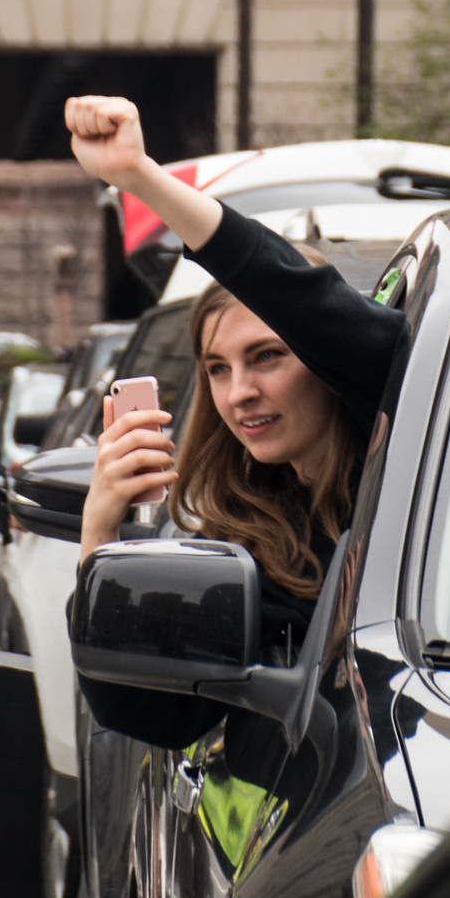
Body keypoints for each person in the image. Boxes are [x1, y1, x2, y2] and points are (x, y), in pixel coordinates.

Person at [65, 94, 404, 679]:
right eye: (217, 368)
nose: (238, 392)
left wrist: (140, 178)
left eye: (267, 356)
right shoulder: (237, 550)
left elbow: (296, 293)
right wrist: (100, 534)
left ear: (327, 352)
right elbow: (147, 712)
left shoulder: (406, 444)